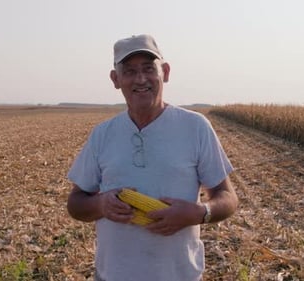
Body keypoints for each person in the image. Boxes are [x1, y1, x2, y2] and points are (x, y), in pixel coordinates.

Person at [67, 34, 238, 281]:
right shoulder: (102, 135)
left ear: (165, 72)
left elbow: (227, 197)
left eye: (149, 68)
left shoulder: (195, 127)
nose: (141, 79)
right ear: (116, 79)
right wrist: (100, 204)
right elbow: (76, 203)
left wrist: (199, 212)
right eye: (129, 71)